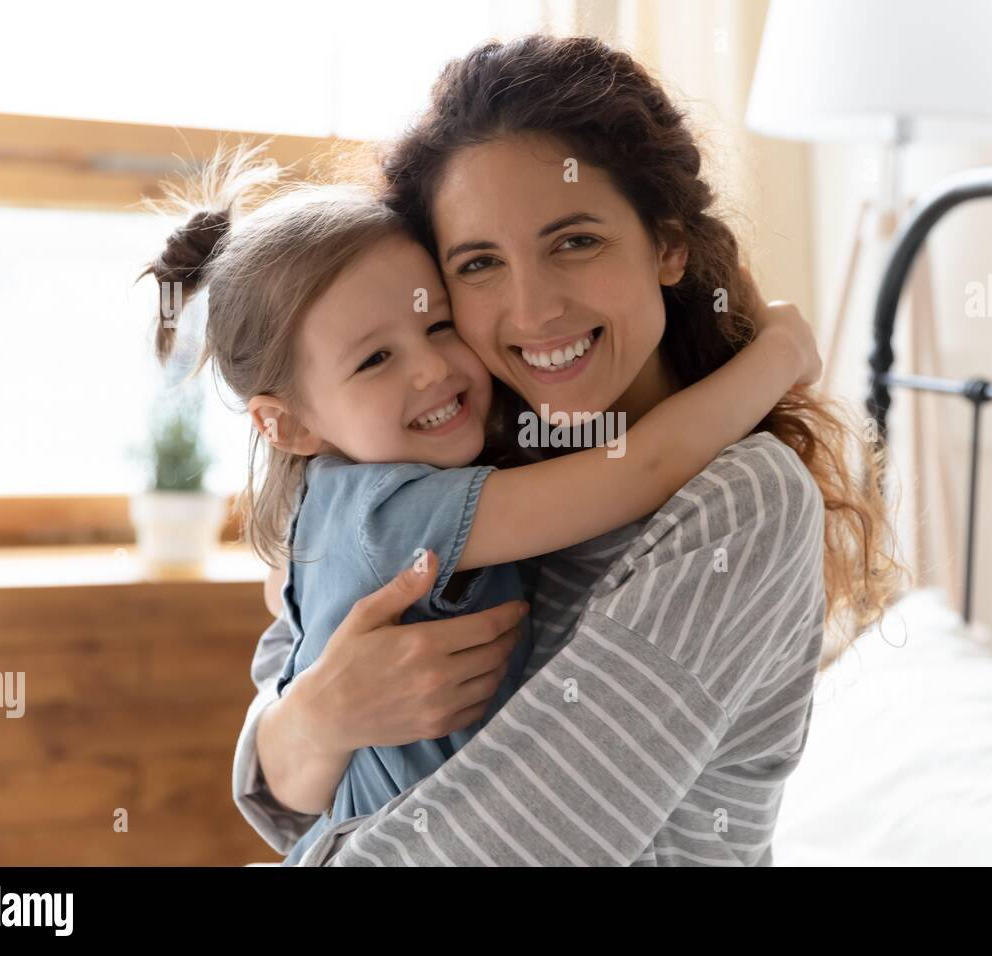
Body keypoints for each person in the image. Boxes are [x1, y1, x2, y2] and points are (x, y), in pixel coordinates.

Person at [234, 35, 903, 866]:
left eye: (575, 241)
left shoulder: (740, 502)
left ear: (667, 244)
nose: (534, 309)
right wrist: (321, 719)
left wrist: (311, 745)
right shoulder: (467, 455)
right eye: (479, 263)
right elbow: (284, 790)